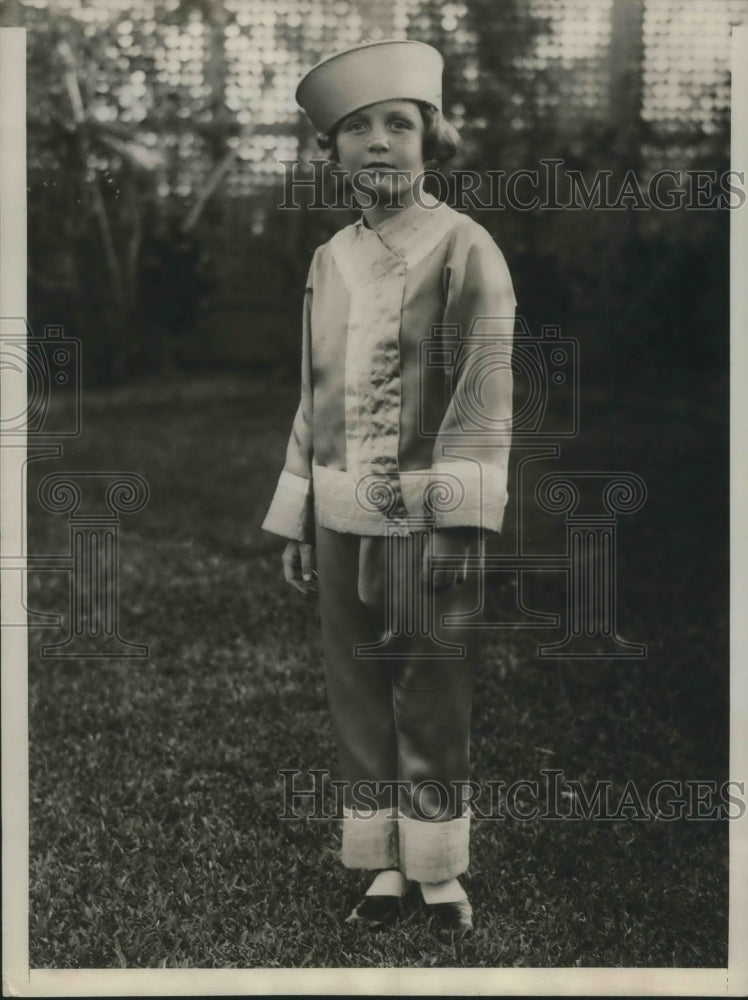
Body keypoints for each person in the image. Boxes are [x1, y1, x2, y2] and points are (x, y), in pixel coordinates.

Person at [262, 38, 516, 935]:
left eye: (398, 125)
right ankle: (381, 863)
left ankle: (439, 866)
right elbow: (315, 390)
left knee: (431, 681)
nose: (378, 143)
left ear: (430, 139)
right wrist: (298, 514)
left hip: (426, 517)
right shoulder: (330, 260)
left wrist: (455, 519)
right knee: (357, 686)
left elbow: (482, 392)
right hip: (340, 510)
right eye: (356, 129)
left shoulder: (466, 248)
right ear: (331, 153)